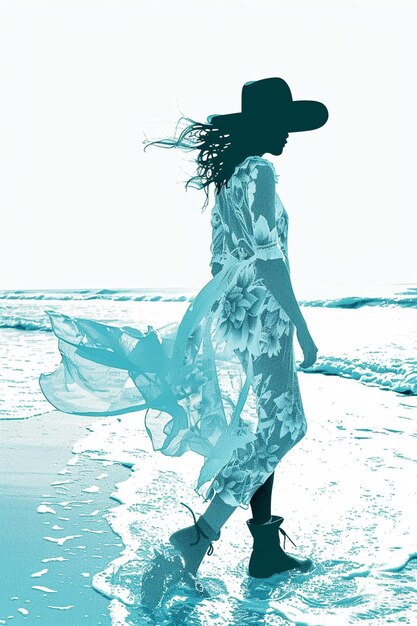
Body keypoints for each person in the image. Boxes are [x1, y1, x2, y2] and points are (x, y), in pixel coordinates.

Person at [38, 77, 328, 610]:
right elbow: (270, 259)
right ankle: (200, 535)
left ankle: (263, 550)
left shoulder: (229, 178)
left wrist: (222, 314)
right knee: (287, 429)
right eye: (283, 125)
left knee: (263, 431)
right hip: (263, 319)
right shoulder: (260, 171)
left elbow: (221, 261)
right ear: (264, 125)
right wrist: (301, 326)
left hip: (236, 315)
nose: (288, 136)